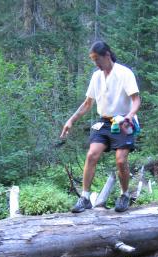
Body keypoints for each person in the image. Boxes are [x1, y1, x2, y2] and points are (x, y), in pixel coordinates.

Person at [60, 40, 141, 213]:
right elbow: (88, 103)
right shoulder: (96, 76)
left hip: (124, 120)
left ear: (107, 55)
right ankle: (85, 197)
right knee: (91, 155)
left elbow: (136, 99)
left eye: (97, 59)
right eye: (93, 60)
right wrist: (71, 120)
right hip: (104, 121)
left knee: (120, 160)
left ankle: (124, 194)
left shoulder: (124, 73)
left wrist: (130, 116)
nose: (95, 63)